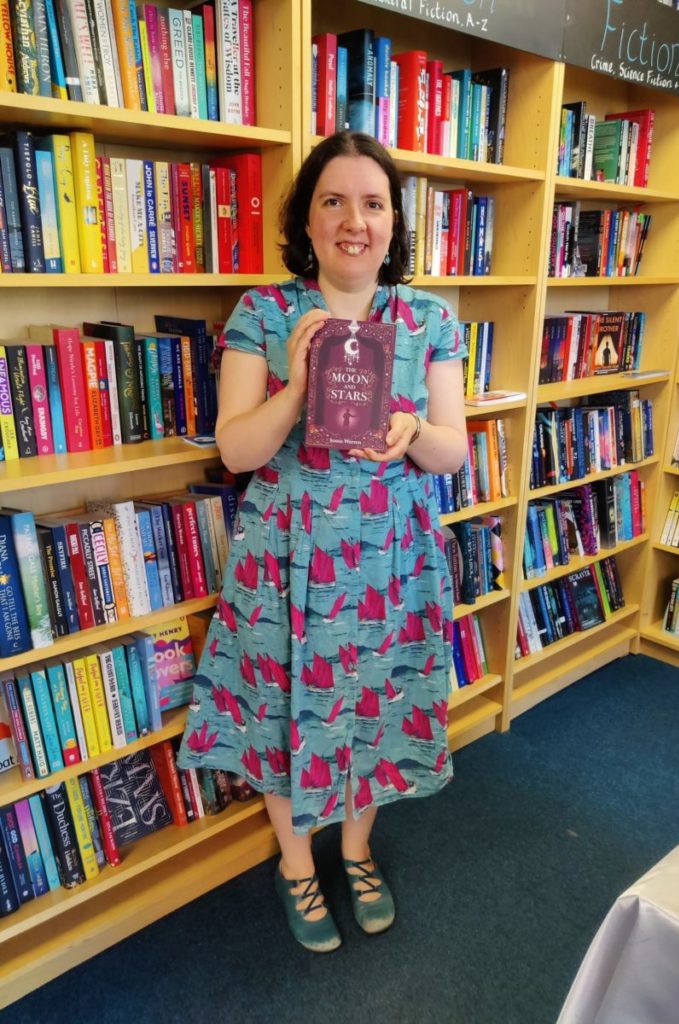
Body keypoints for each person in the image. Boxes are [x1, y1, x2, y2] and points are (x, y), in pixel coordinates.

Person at [178, 131, 468, 953]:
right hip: (286, 550)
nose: (353, 220)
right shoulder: (266, 312)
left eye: (372, 203)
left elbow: (454, 451)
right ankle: (296, 863)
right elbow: (236, 451)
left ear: (393, 220)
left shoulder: (428, 318)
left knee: (377, 702)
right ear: (306, 221)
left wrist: (414, 430)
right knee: (277, 711)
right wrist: (298, 387)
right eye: (332, 201)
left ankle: (356, 847)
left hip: (391, 552)